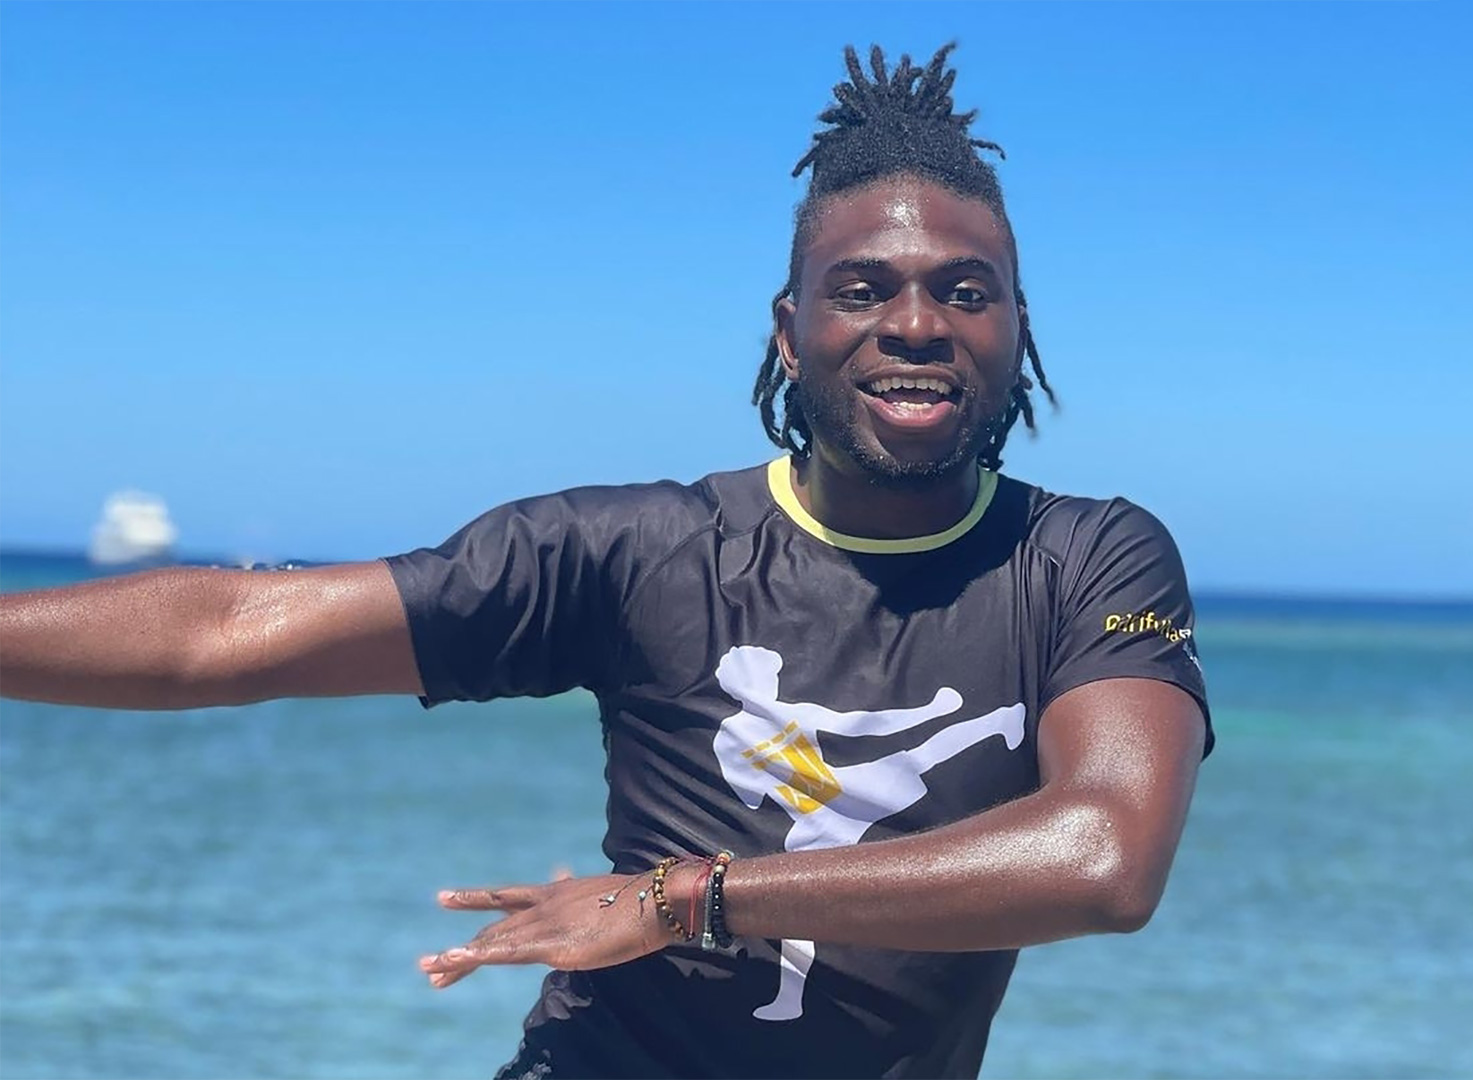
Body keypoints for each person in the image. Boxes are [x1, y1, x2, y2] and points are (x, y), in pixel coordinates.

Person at [0, 43, 1212, 1079]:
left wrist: (683, 897)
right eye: (862, 289)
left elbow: (1104, 854)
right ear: (791, 335)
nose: (914, 323)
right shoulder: (641, 553)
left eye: (966, 291)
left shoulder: (1085, 559)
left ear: (1015, 331)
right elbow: (220, 636)